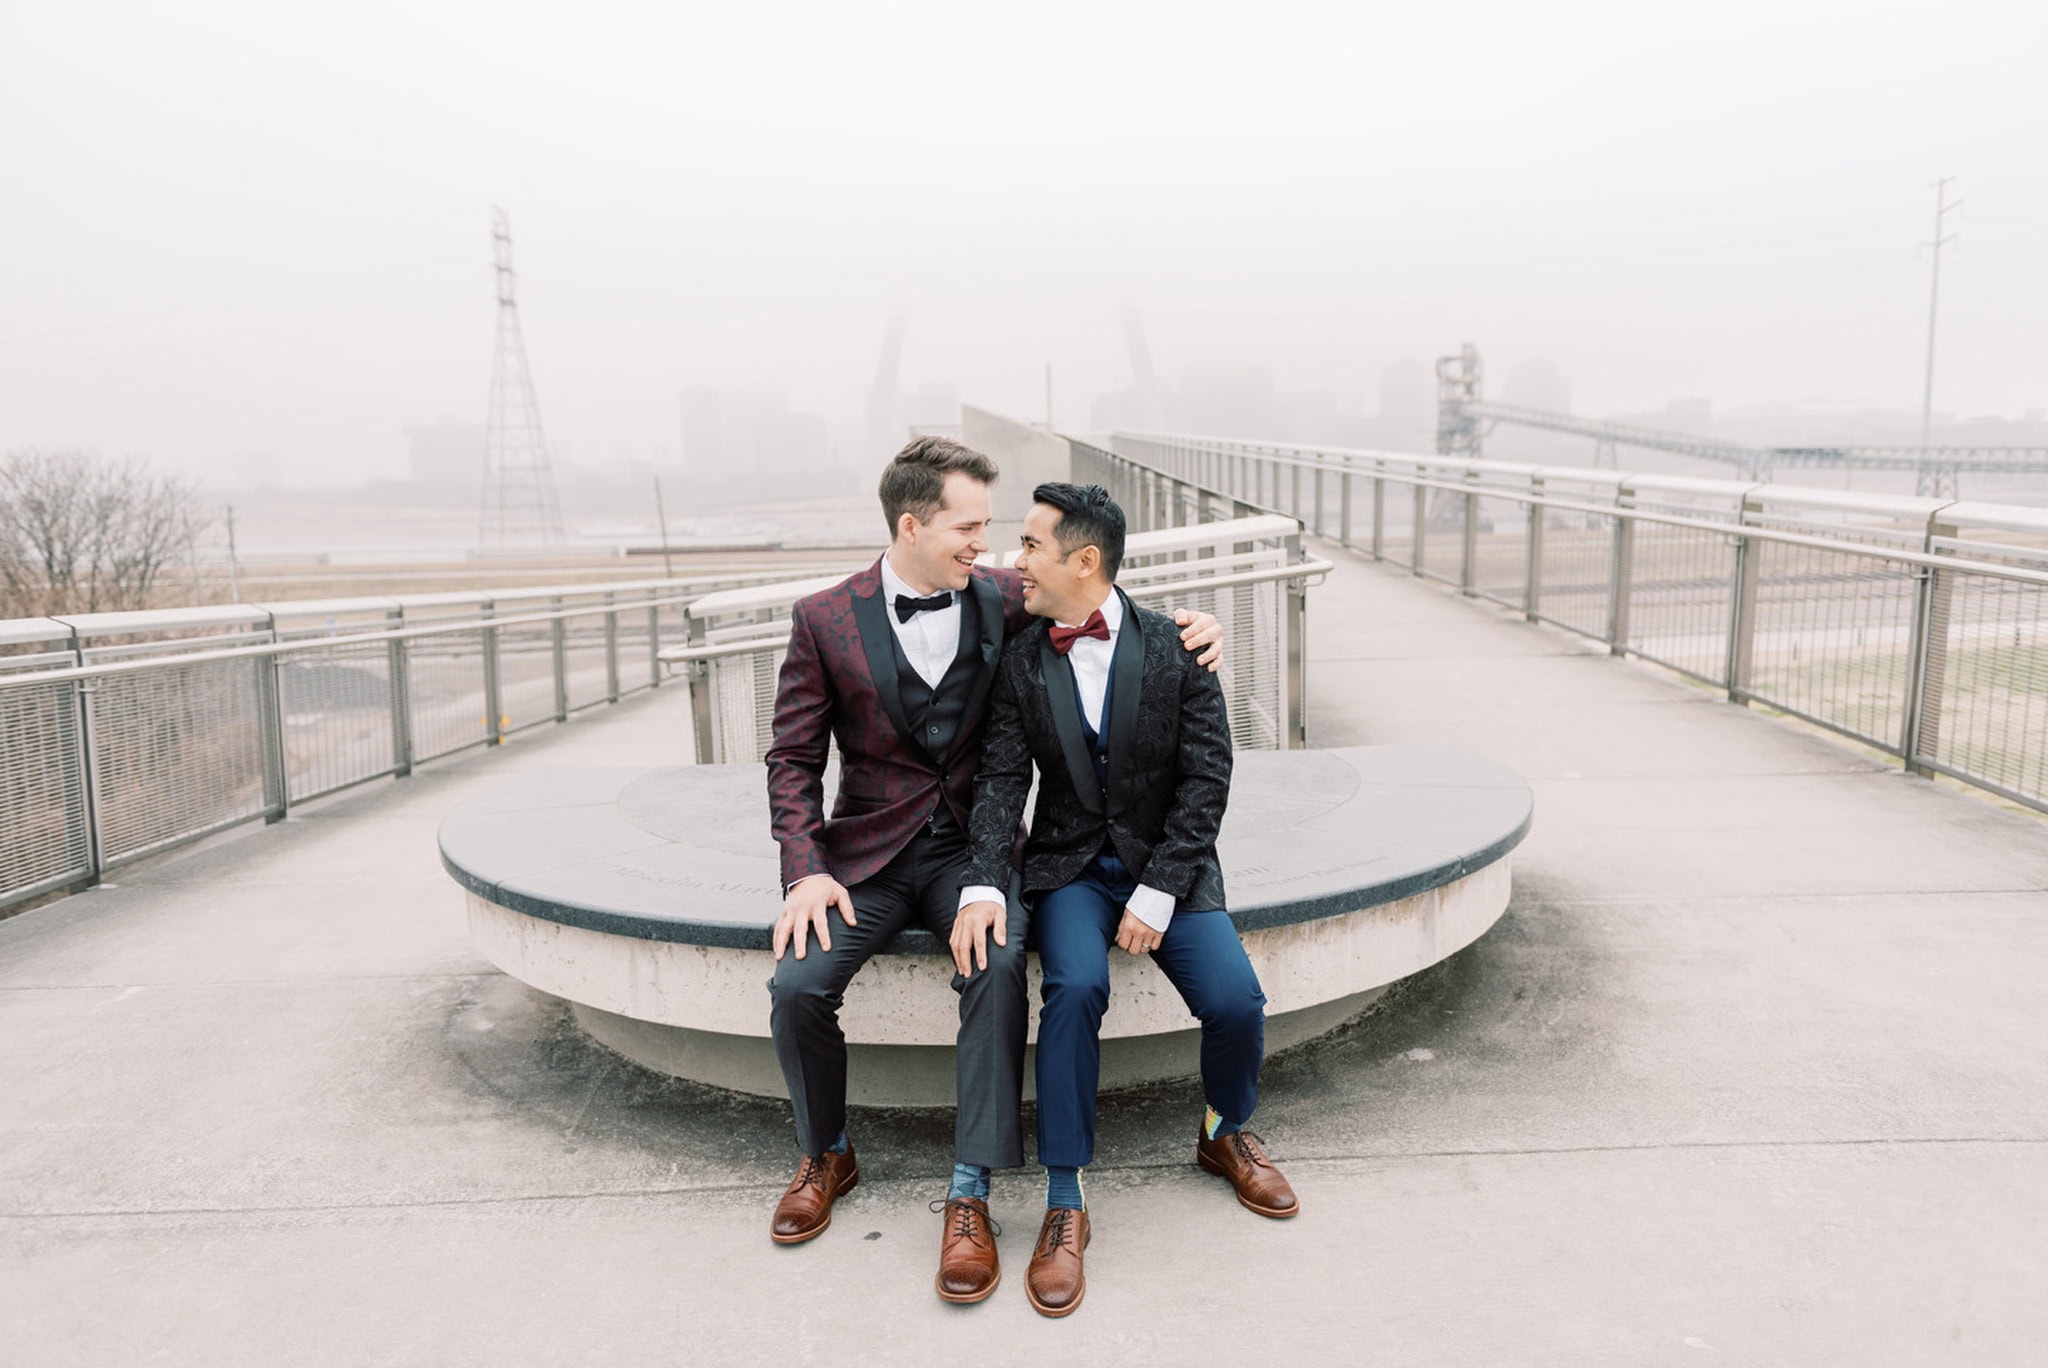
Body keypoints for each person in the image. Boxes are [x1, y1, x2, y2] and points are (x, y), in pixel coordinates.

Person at [763, 438, 1223, 1306]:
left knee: (999, 962)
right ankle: (825, 1152)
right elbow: (790, 758)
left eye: (994, 529)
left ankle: (968, 1190)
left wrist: (1199, 628)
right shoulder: (821, 618)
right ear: (912, 523)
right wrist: (805, 869)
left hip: (972, 851)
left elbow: (1097, 595)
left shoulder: (1003, 595)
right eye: (969, 526)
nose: (993, 545)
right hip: (862, 854)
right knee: (796, 986)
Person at [957, 481, 1297, 1319]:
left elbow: (1208, 778)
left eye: (1031, 545)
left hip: (1170, 866)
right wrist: (985, 878)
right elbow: (1003, 779)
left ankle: (1224, 1132)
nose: (1015, 559)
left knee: (1236, 999)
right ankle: (1065, 1199)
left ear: (1085, 560)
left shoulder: (1181, 645)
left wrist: (1158, 888)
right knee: (1073, 988)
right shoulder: (1021, 657)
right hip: (1069, 866)